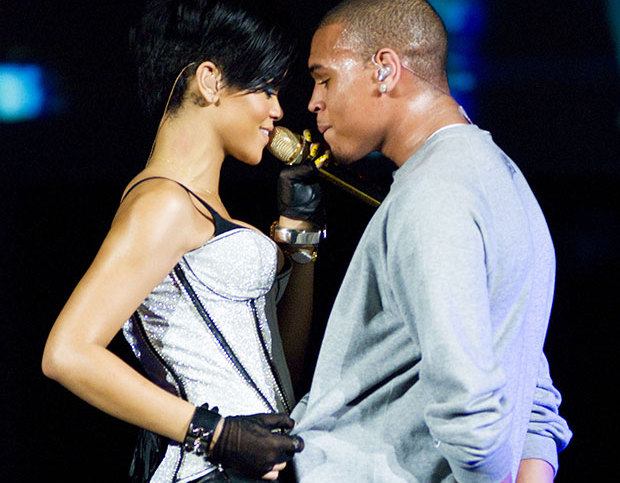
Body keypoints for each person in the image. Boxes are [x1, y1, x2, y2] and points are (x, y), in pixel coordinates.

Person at [290, 1, 572, 482]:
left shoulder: (434, 193)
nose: (313, 101)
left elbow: (472, 407)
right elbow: (529, 391)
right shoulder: (505, 180)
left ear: (384, 69)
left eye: (325, 79)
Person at [41, 0, 323, 481]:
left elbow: (284, 369)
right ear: (210, 81)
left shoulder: (201, 209)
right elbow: (67, 353)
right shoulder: (164, 204)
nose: (277, 110)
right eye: (266, 88)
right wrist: (216, 435)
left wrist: (301, 239)